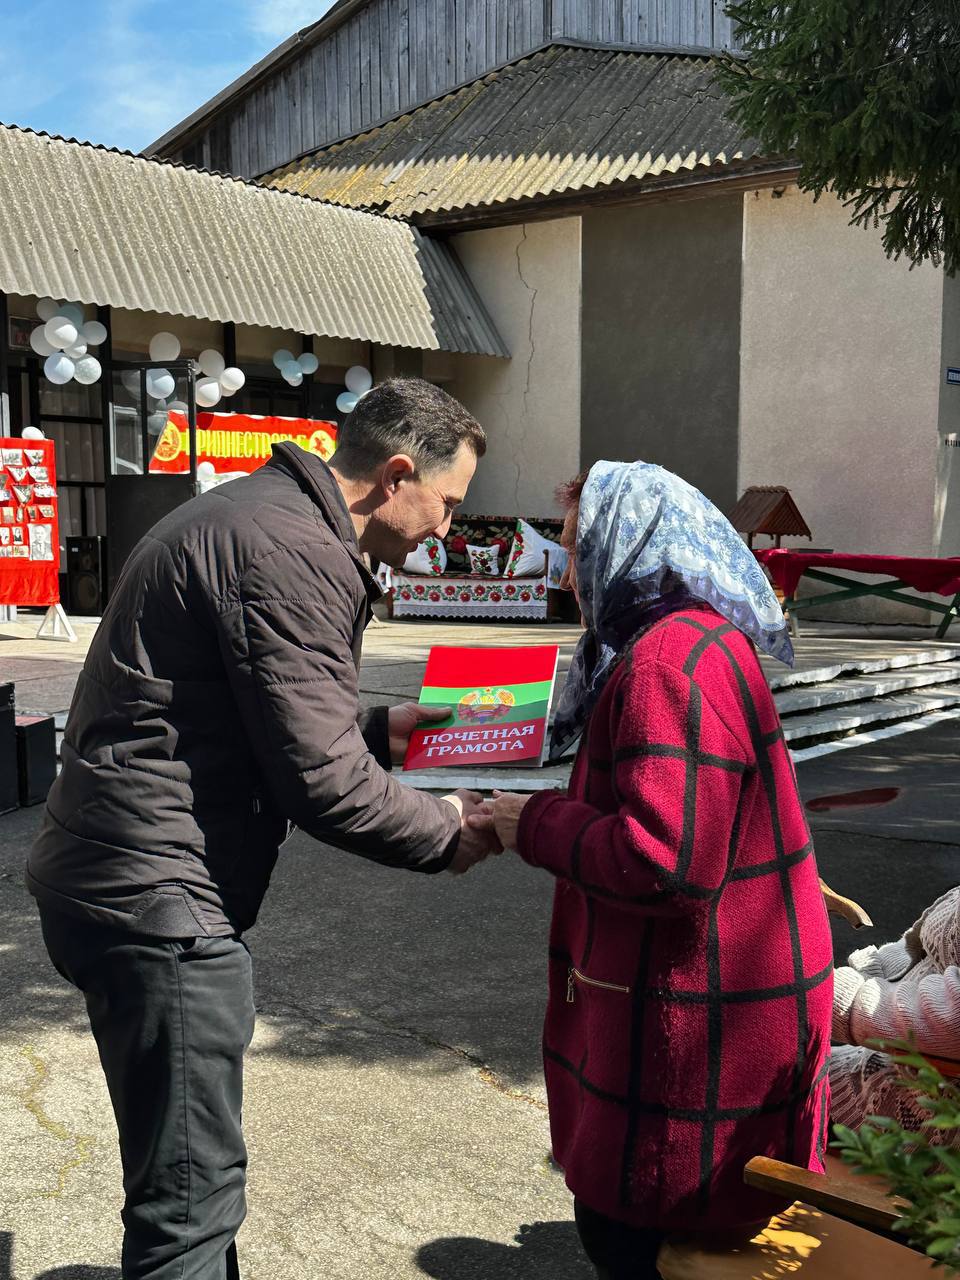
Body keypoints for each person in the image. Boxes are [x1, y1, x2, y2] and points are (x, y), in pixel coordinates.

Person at [26, 377, 499, 1278]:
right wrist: (447, 826)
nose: (447, 529)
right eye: (447, 504)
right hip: (158, 904)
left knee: (187, 1177)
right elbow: (323, 784)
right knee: (189, 1210)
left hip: (112, 874)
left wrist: (380, 732)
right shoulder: (293, 551)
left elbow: (245, 720)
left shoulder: (258, 513)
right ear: (397, 473)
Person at [471, 461, 834, 1280]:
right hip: (712, 995)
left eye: (576, 547)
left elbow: (665, 863)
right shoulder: (694, 637)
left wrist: (533, 822)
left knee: (638, 1238)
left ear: (629, 545)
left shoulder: (665, 663)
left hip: (694, 1019)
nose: (568, 574)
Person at [831, 884, 960, 1143]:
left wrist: (839, 998)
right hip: (895, 1061)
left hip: (928, 1105)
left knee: (757, 1077)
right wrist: (871, 970)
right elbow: (926, 945)